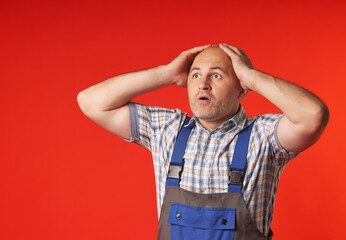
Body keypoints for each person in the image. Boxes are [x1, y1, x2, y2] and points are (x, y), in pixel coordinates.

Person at [77, 43, 329, 239]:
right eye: (195, 76)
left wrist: (251, 77)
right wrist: (166, 73)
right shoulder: (167, 129)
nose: (203, 85)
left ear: (242, 89)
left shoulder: (264, 136)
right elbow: (91, 102)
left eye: (216, 76)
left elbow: (313, 115)